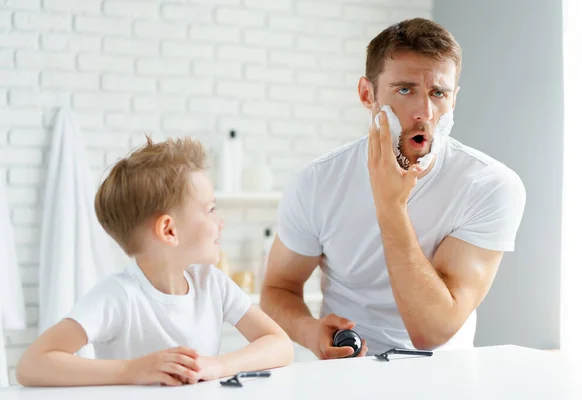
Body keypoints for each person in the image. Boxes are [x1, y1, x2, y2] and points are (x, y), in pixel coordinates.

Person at [260, 17, 526, 359]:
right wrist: (309, 331)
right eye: (405, 89)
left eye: (438, 93)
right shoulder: (317, 182)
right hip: (349, 372)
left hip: (445, 376)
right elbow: (278, 288)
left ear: (453, 100)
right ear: (367, 94)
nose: (424, 112)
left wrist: (390, 205)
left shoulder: (490, 186)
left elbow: (431, 331)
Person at [16, 136, 294, 387]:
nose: (221, 222)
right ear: (169, 231)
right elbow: (31, 365)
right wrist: (131, 370)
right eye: (210, 210)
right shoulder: (118, 296)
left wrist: (219, 365)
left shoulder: (213, 284)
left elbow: (280, 344)